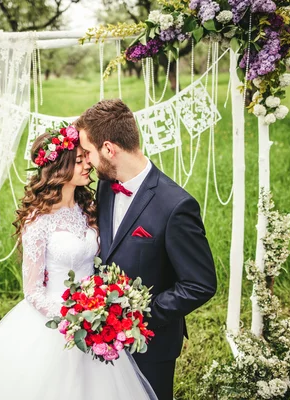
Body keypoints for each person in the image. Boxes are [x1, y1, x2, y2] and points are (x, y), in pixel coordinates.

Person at [0, 125, 157, 399]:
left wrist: (99, 311)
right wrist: (74, 319)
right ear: (59, 167)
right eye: (79, 160)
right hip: (58, 321)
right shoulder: (39, 221)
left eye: (87, 157)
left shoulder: (89, 208)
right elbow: (33, 292)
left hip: (96, 316)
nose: (88, 165)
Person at [76, 99, 217, 400]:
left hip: (150, 345)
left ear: (109, 150)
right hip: (101, 341)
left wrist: (136, 315)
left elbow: (200, 284)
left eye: (88, 152)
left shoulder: (176, 206)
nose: (86, 161)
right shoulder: (105, 185)